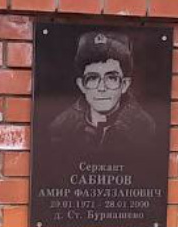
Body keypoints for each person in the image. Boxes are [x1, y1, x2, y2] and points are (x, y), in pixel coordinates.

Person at [47, 30, 156, 158]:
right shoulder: (61, 129)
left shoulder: (144, 129)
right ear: (81, 85)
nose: (102, 88)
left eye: (111, 78)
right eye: (93, 78)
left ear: (124, 85)